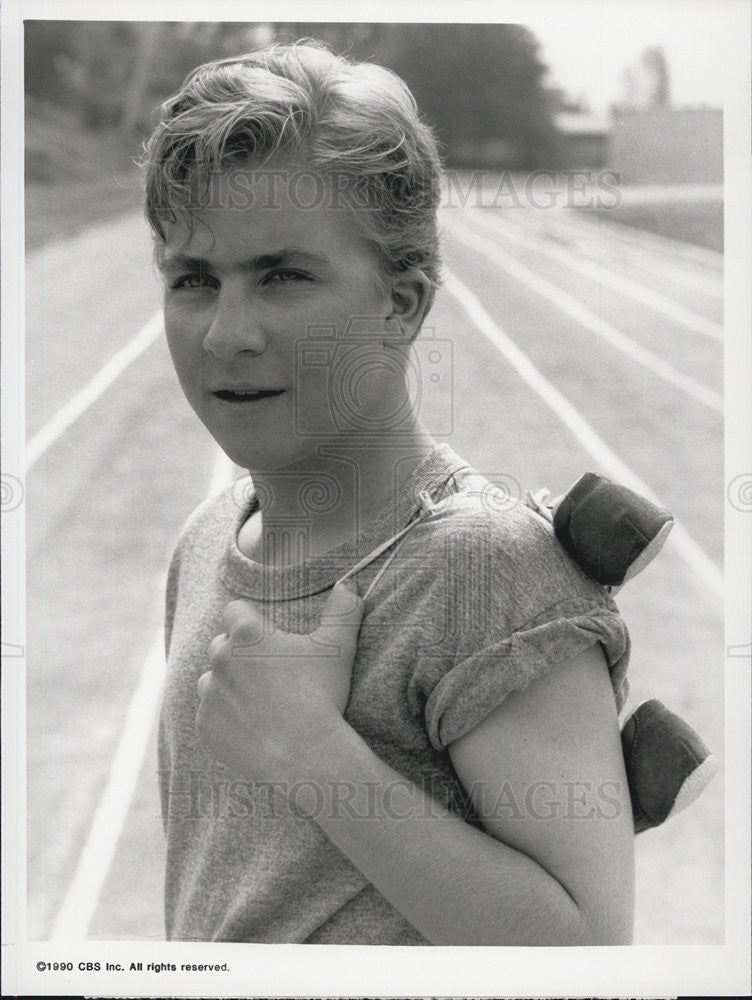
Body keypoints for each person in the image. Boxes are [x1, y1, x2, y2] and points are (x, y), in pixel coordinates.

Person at [144, 39, 634, 945]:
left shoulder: (486, 571)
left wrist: (313, 754)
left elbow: (589, 954)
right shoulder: (209, 537)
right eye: (194, 280)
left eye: (283, 276)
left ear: (402, 305)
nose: (225, 333)